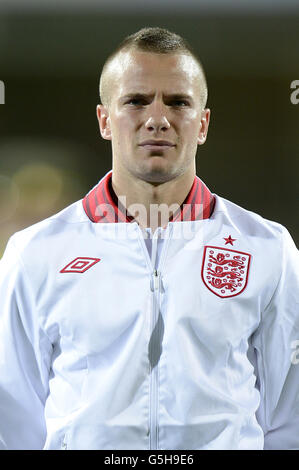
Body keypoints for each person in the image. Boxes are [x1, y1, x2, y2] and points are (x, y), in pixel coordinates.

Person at [0, 26, 298, 451]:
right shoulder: (35, 254)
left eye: (178, 103)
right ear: (105, 120)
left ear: (203, 124)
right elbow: (12, 423)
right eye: (136, 101)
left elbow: (290, 421)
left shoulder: (268, 249)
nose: (157, 118)